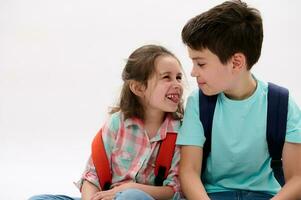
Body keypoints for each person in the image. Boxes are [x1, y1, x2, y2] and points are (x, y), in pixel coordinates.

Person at [176, 1, 301, 200]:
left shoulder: (282, 105)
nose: (192, 72)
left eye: (200, 63)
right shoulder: (198, 104)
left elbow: (297, 179)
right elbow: (189, 171)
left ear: (236, 62)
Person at [29, 44, 185, 200]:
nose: (177, 84)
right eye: (166, 77)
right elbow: (92, 177)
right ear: (138, 88)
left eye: (178, 77)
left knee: (132, 197)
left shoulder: (181, 131)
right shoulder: (117, 123)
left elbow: (174, 190)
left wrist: (130, 188)